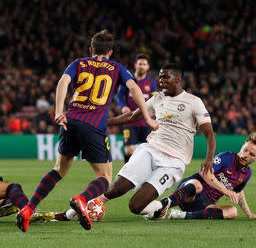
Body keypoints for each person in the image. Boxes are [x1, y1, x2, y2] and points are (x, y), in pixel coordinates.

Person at [16, 29, 159, 232]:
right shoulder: (116, 67)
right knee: (105, 177)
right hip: (93, 125)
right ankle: (82, 199)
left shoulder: (78, 63)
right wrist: (147, 117)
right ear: (110, 52)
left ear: (90, 49)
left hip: (70, 120)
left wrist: (59, 111)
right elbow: (134, 89)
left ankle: (28, 209)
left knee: (59, 170)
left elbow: (63, 82)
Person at [37, 63, 216, 222]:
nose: (160, 80)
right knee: (114, 189)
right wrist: (102, 123)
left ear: (178, 79)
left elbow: (209, 133)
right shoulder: (158, 98)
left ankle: (161, 207)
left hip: (174, 162)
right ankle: (69, 214)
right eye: (159, 76)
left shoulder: (194, 102)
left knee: (136, 206)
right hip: (150, 149)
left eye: (165, 77)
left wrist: (209, 159)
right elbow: (132, 115)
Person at [158, 132, 256, 220]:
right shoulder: (226, 157)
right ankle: (161, 206)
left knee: (232, 211)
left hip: (204, 204)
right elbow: (205, 173)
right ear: (242, 147)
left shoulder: (247, 174)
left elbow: (238, 192)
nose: (245, 155)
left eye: (251, 154)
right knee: (197, 185)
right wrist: (225, 190)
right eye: (245, 150)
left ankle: (182, 215)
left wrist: (249, 214)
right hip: (190, 191)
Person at [116, 53, 157, 163]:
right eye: (140, 64)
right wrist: (123, 106)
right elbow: (119, 96)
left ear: (148, 67)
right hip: (130, 122)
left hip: (146, 122)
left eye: (144, 64)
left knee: (149, 152)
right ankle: (126, 174)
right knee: (129, 150)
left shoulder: (151, 83)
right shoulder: (127, 80)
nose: (142, 66)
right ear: (135, 65)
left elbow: (154, 99)